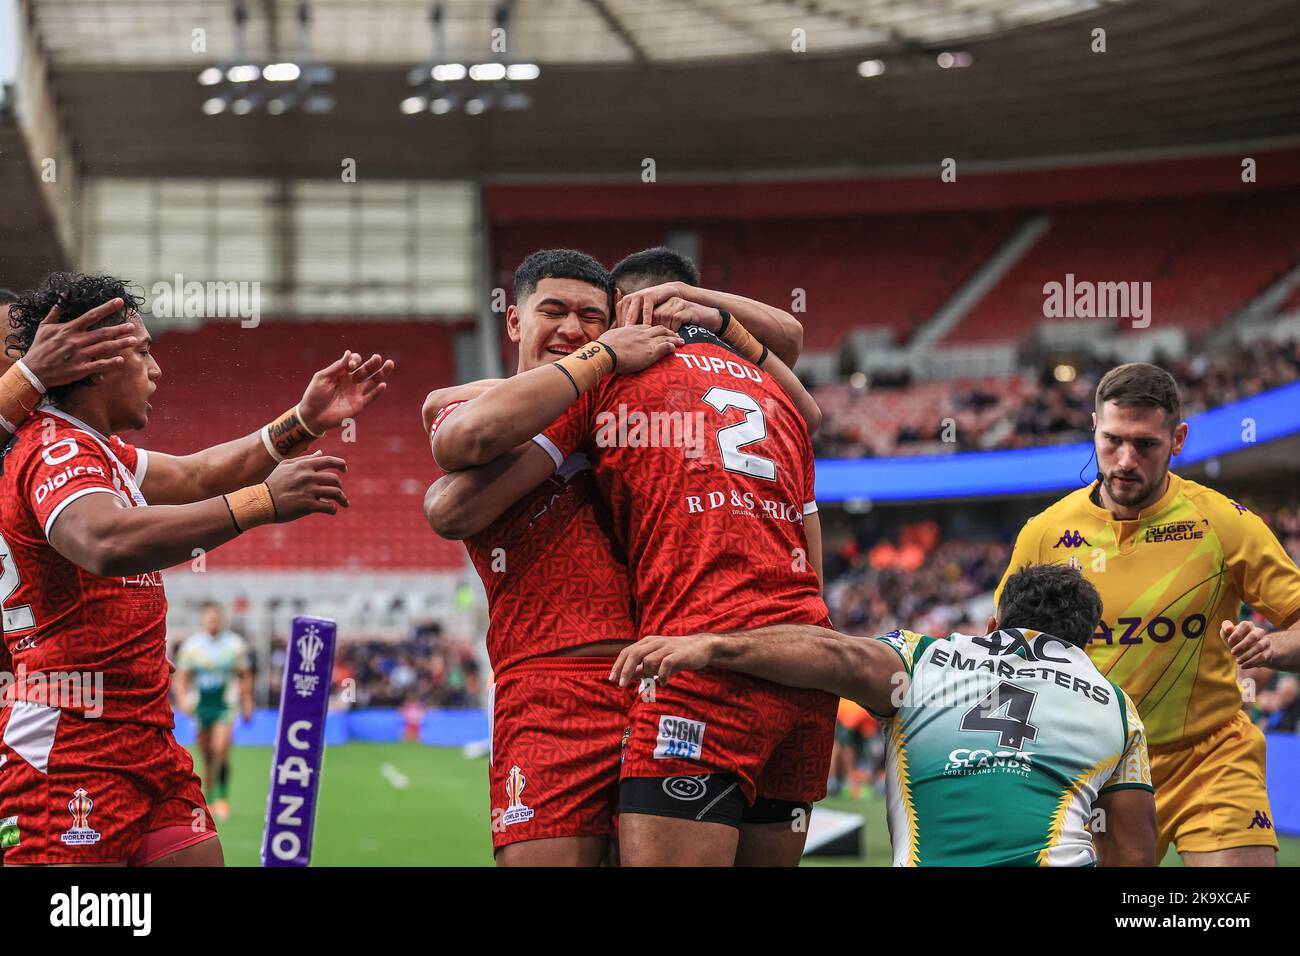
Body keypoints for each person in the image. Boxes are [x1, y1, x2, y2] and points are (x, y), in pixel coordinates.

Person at [429, 248, 831, 867]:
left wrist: (682, 324)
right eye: (553, 311)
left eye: (592, 316)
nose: (572, 329)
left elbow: (799, 384)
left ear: (622, 318)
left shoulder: (627, 391)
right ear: (514, 322)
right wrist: (601, 356)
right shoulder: (549, 393)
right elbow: (449, 487)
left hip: (662, 674)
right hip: (552, 690)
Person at [0, 273, 392, 866]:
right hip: (70, 743)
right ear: (100, 361)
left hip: (146, 736)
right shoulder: (54, 448)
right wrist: (261, 504)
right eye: (144, 351)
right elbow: (102, 539)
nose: (156, 370)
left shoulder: (100, 450)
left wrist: (302, 421)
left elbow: (197, 477)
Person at [610, 563, 1157, 866]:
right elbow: (1132, 858)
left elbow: (833, 654)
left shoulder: (925, 658)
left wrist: (712, 646)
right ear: (1087, 642)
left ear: (995, 624)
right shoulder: (1114, 703)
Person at [997, 362, 1300, 866]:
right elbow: (1006, 658)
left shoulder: (1224, 523)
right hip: (1099, 768)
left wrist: (1273, 646)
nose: (1124, 460)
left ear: (1178, 439)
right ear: (1093, 428)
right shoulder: (1044, 534)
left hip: (1211, 756)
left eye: (1145, 444)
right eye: (1112, 440)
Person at [174, 601, 254, 822]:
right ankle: (208, 799)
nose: (213, 621)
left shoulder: (234, 645)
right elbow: (181, 676)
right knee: (207, 755)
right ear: (203, 620)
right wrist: (182, 699)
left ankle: (223, 798)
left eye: (216, 618)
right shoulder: (192, 646)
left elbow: (245, 673)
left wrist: (247, 701)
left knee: (221, 748)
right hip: (201, 706)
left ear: (222, 619)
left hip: (225, 704)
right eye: (209, 618)